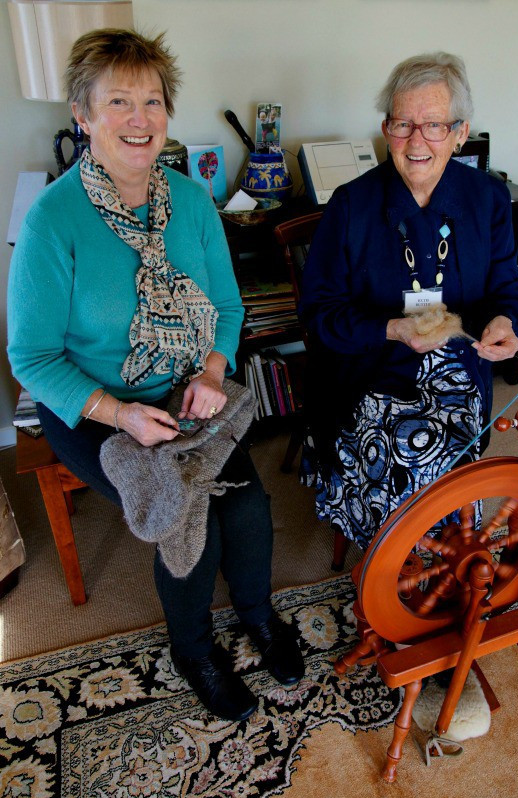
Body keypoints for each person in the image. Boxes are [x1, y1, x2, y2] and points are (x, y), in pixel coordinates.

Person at [7, 28, 304, 722]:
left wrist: (210, 368)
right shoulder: (55, 222)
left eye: (152, 101)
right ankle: (193, 648)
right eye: (119, 102)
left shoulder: (191, 202)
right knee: (184, 513)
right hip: (98, 406)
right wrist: (123, 415)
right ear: (82, 115)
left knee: (249, 505)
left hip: (188, 391)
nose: (139, 119)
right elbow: (33, 359)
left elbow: (227, 307)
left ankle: (259, 617)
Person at [298, 52, 518, 550]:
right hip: (370, 372)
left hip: (457, 373)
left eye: (434, 125)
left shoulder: (487, 199)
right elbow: (318, 316)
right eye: (403, 124)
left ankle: (444, 565)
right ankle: (397, 575)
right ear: (386, 129)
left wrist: (508, 325)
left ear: (460, 132)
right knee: (410, 455)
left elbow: (507, 293)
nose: (417, 140)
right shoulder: (351, 205)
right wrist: (392, 329)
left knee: (451, 466)